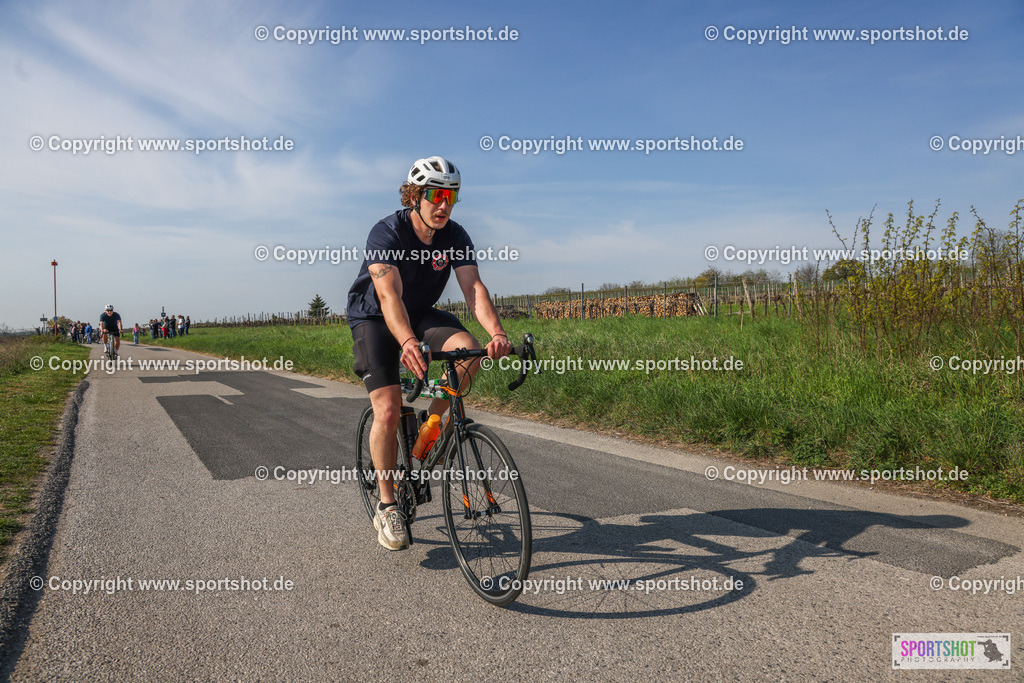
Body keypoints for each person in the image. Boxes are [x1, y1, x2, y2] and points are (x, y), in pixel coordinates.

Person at [346, 156, 512, 551]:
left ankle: (431, 426)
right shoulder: (386, 232)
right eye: (435, 196)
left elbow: (473, 289)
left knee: (470, 352)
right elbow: (388, 295)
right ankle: (387, 505)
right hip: (375, 317)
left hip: (420, 315)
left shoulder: (455, 235)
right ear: (414, 196)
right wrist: (405, 342)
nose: (443, 206)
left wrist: (497, 332)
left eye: (451, 198)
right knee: (386, 410)